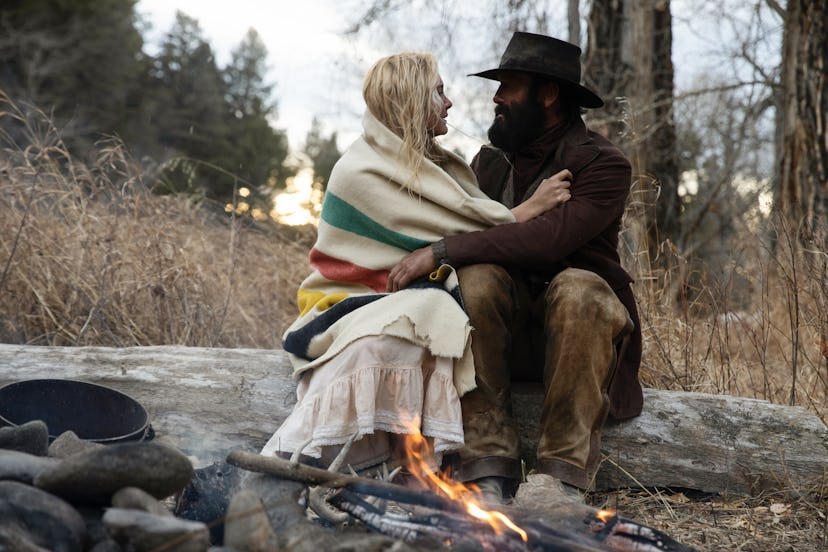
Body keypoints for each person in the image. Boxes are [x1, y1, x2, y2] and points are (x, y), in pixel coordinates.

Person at [261, 52, 571, 474]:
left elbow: (459, 230)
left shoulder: (436, 164)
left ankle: (416, 464)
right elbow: (469, 232)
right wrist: (529, 209)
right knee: (430, 312)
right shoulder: (363, 169)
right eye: (438, 92)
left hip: (402, 294)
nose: (449, 103)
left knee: (438, 308)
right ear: (410, 101)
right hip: (346, 300)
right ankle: (347, 458)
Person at [387, 32, 643, 499]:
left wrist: (443, 251)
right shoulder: (487, 164)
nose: (497, 97)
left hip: (581, 343)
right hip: (505, 342)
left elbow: (549, 240)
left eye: (510, 86)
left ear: (548, 95)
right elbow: (471, 236)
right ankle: (488, 464)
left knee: (579, 287)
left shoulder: (604, 164)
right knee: (476, 278)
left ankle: (560, 480)